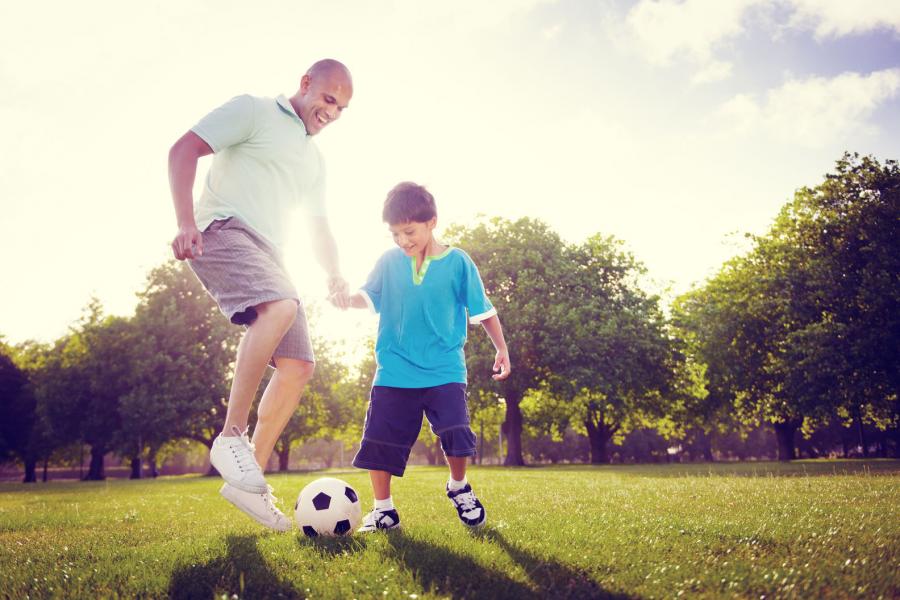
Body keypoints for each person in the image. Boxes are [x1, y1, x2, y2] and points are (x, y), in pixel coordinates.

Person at [168, 59, 353, 531]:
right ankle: (232, 436)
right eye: (328, 99)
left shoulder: (315, 161)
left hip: (272, 252)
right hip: (222, 230)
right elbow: (183, 149)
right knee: (282, 305)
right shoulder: (253, 110)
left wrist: (334, 273)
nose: (332, 112)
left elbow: (318, 226)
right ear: (306, 83)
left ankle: (250, 484)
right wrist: (186, 222)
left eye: (342, 108)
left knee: (299, 366)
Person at [333, 181, 510, 532]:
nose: (403, 240)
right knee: (379, 440)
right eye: (395, 234)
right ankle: (383, 510)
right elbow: (367, 297)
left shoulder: (458, 262)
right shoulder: (388, 262)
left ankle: (459, 487)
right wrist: (344, 299)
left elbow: (483, 310)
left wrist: (501, 348)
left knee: (457, 432)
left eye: (409, 231)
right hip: (395, 370)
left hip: (444, 367)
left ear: (432, 222)